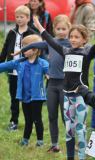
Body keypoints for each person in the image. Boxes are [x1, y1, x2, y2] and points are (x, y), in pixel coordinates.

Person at [32, 15, 95, 160]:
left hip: (81, 97)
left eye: (77, 37)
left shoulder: (87, 52)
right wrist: (39, 26)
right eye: (71, 37)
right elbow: (49, 39)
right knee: (69, 130)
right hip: (67, 97)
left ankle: (81, 157)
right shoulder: (66, 51)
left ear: (84, 39)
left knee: (80, 130)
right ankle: (70, 157)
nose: (73, 39)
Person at [12, 15, 72, 152]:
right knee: (52, 116)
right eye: (58, 29)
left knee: (65, 116)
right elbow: (34, 45)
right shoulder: (50, 42)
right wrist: (20, 51)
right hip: (51, 85)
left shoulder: (72, 43)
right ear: (54, 29)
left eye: (64, 28)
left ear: (69, 29)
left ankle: (71, 142)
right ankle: (54, 144)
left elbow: (89, 49)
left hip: (65, 84)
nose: (61, 31)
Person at [0, 35, 49, 146]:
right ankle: (25, 140)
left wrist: (49, 75)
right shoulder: (20, 63)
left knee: (37, 119)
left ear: (35, 49)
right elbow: (4, 66)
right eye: (22, 46)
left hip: (37, 97)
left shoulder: (43, 63)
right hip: (24, 97)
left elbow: (50, 72)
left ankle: (40, 141)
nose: (22, 50)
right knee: (28, 120)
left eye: (25, 47)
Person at [0, 5, 36, 131]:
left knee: (27, 96)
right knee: (14, 97)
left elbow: (37, 51)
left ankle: (30, 121)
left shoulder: (32, 34)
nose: (19, 19)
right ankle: (14, 121)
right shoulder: (11, 33)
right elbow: (5, 49)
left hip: (26, 70)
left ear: (28, 18)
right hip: (12, 71)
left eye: (22, 17)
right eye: (17, 17)